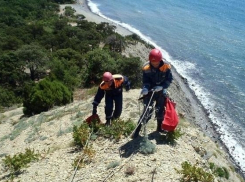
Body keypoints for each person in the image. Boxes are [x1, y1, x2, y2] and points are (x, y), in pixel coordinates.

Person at [132, 48, 173, 138]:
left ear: (160, 60)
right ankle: (137, 130)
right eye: (153, 63)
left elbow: (169, 79)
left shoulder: (166, 66)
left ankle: (159, 128)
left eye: (157, 63)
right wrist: (145, 88)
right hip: (150, 92)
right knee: (147, 111)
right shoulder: (146, 67)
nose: (155, 65)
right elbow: (145, 81)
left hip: (160, 91)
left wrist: (162, 87)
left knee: (160, 110)